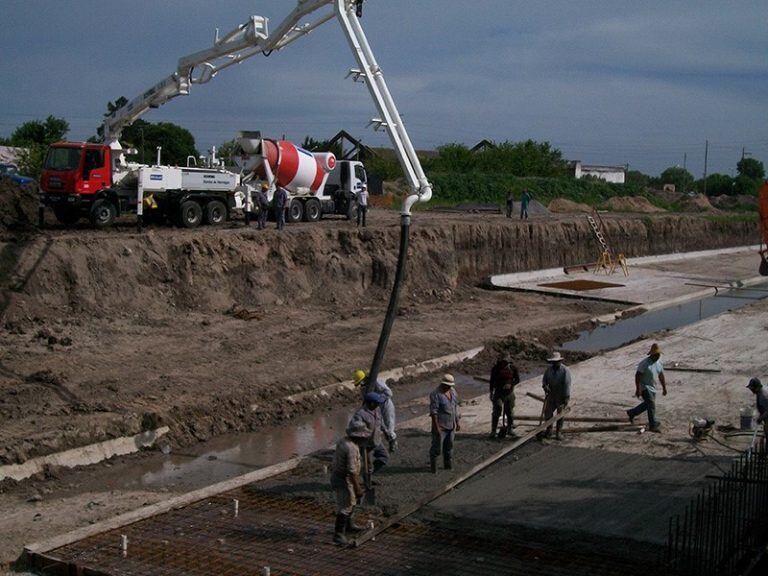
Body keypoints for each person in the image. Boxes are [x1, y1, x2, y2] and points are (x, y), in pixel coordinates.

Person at [330, 420, 368, 545]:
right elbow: (351, 472)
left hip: (340, 476)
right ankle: (338, 534)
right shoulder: (351, 448)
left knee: (351, 502)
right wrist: (358, 489)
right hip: (343, 478)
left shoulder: (344, 441)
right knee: (346, 506)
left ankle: (349, 525)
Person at [353, 369, 397, 452]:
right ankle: (386, 439)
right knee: (380, 425)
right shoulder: (365, 388)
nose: (360, 385)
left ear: (364, 379)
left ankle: (393, 442)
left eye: (360, 382)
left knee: (389, 424)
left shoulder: (376, 382)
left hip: (385, 404)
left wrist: (379, 398)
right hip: (376, 407)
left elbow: (389, 393)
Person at [627, 342, 667, 432]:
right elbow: (637, 375)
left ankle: (632, 413)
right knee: (651, 404)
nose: (657, 356)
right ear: (652, 354)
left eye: (658, 355)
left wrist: (664, 387)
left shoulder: (659, 363)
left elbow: (661, 375)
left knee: (648, 405)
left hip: (653, 387)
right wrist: (638, 389)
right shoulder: (644, 363)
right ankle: (652, 425)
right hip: (644, 387)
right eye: (656, 355)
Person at [349, 392, 389, 475]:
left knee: (384, 457)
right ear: (371, 403)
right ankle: (367, 483)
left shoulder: (377, 410)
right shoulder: (360, 414)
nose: (378, 405)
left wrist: (385, 431)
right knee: (368, 466)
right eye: (377, 403)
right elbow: (353, 427)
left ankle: (372, 472)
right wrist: (362, 432)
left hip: (377, 440)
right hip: (366, 444)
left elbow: (380, 422)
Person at [429, 373, 461, 473]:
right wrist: (437, 427)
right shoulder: (435, 394)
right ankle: (433, 468)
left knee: (449, 447)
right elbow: (434, 412)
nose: (449, 387)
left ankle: (448, 466)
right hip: (441, 426)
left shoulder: (453, 392)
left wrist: (457, 421)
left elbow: (455, 407)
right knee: (436, 448)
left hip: (451, 425)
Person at [541, 351, 572, 440]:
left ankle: (559, 432)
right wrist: (545, 386)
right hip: (551, 394)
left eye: (556, 362)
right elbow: (544, 380)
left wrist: (566, 397)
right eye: (553, 362)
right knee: (547, 413)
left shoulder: (565, 370)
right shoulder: (549, 370)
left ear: (560, 361)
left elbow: (567, 385)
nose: (554, 364)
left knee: (560, 414)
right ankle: (549, 430)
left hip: (561, 395)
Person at [489, 353, 520, 438]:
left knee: (509, 411)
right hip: (498, 392)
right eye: (503, 362)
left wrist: (511, 384)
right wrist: (491, 392)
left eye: (505, 362)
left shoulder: (513, 368)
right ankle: (493, 430)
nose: (504, 363)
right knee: (497, 409)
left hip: (509, 393)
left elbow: (517, 379)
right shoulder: (495, 369)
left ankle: (510, 429)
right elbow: (491, 381)